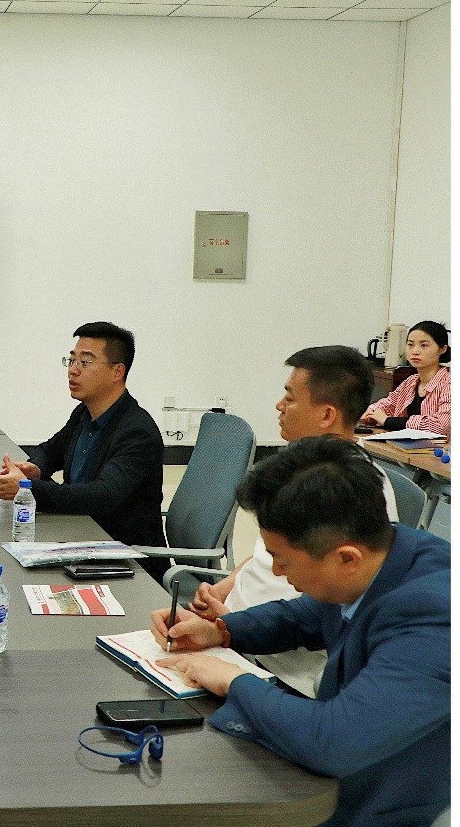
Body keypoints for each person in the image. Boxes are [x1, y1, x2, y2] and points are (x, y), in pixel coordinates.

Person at [151, 435, 449, 827]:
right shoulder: (387, 548)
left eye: (282, 560)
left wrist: (233, 680)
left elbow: (334, 742)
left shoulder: (434, 621)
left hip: (377, 803)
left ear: (346, 559)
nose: (275, 572)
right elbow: (306, 616)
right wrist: (220, 631)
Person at [187, 345, 397, 697]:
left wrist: (232, 627)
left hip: (279, 668)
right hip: (235, 633)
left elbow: (318, 610)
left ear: (327, 415)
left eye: (290, 397)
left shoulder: (351, 492)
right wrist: (224, 592)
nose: (279, 405)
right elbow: (270, 554)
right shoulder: (300, 472)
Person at [0, 321, 166, 576]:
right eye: (71, 360)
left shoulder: (137, 432)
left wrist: (28, 489)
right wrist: (34, 468)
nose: (73, 370)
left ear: (117, 371)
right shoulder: (84, 413)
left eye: (85, 362)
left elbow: (102, 496)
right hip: (81, 539)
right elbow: (50, 450)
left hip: (126, 561)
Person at [361, 320, 451, 436]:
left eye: (424, 345)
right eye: (410, 345)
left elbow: (440, 426)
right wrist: (370, 413)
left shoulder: (449, 384)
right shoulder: (411, 381)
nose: (415, 351)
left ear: (443, 349)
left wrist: (388, 421)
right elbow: (387, 405)